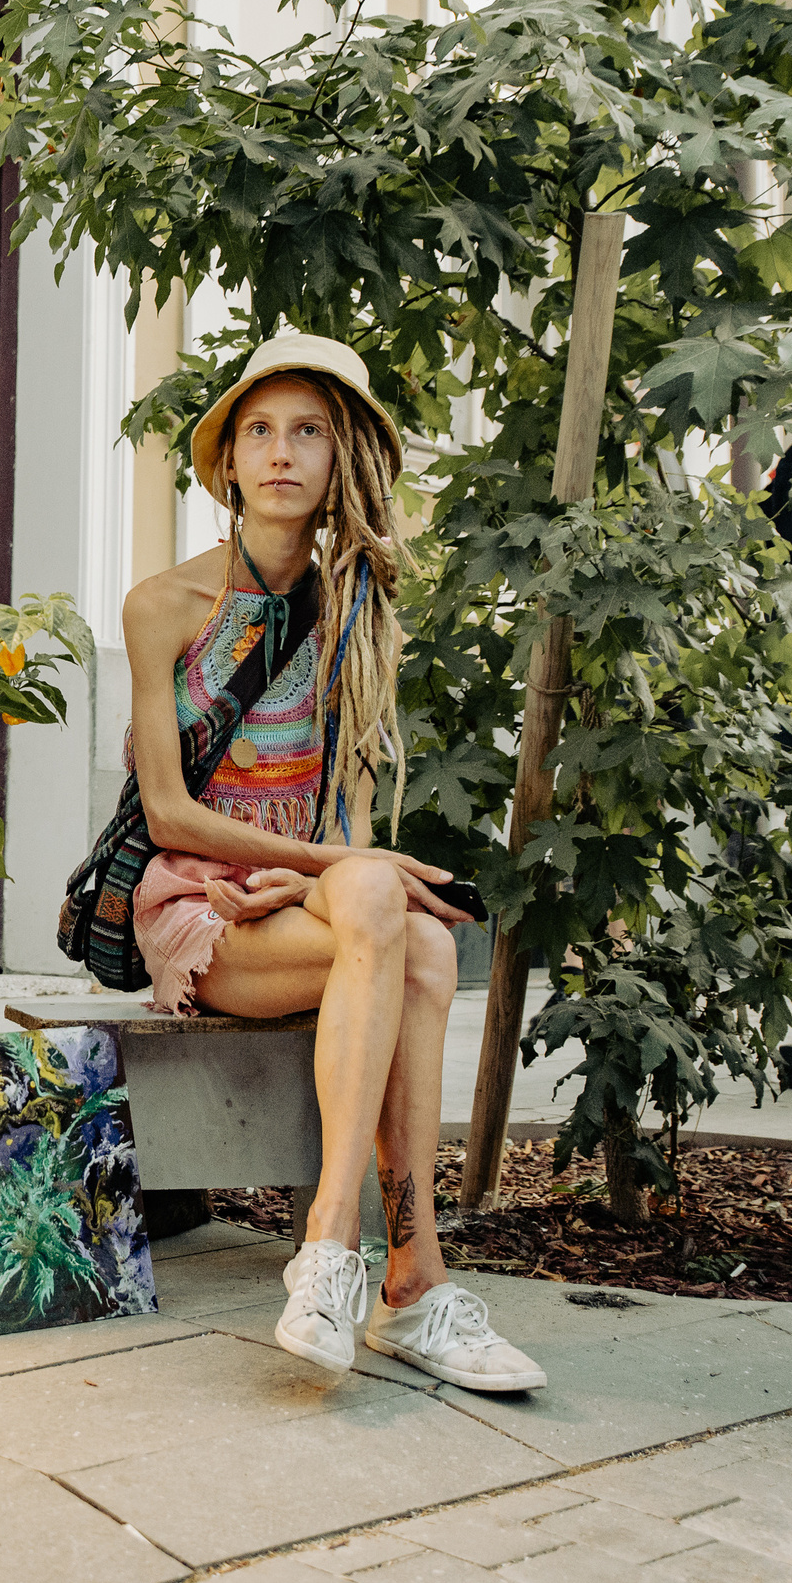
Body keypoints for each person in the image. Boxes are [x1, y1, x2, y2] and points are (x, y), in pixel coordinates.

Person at [119, 333, 546, 1392]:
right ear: (226, 464)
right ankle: (363, 1263)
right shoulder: (162, 606)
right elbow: (170, 809)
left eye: (307, 430)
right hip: (197, 906)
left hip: (300, 903)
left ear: (339, 455)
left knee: (422, 947)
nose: (279, 452)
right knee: (393, 912)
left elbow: (350, 813)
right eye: (258, 431)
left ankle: (378, 1275)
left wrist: (316, 874)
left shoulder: (352, 612)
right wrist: (318, 864)